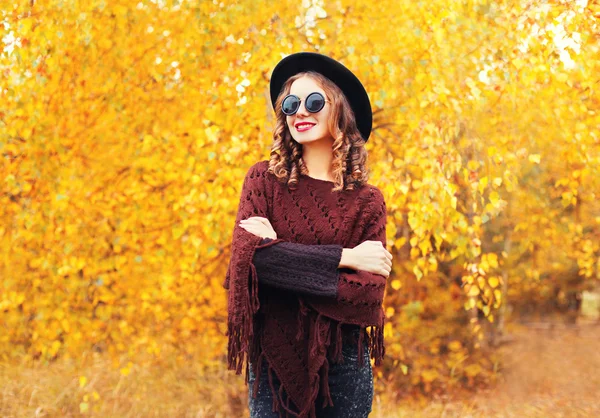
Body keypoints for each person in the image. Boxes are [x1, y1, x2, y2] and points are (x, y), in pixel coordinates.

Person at [224, 52, 393, 418]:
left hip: (344, 364)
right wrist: (345, 258)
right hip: (273, 363)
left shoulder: (368, 202)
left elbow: (365, 297)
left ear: (341, 111)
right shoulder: (263, 181)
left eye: (314, 101)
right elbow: (249, 264)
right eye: (290, 103)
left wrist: (280, 257)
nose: (300, 111)